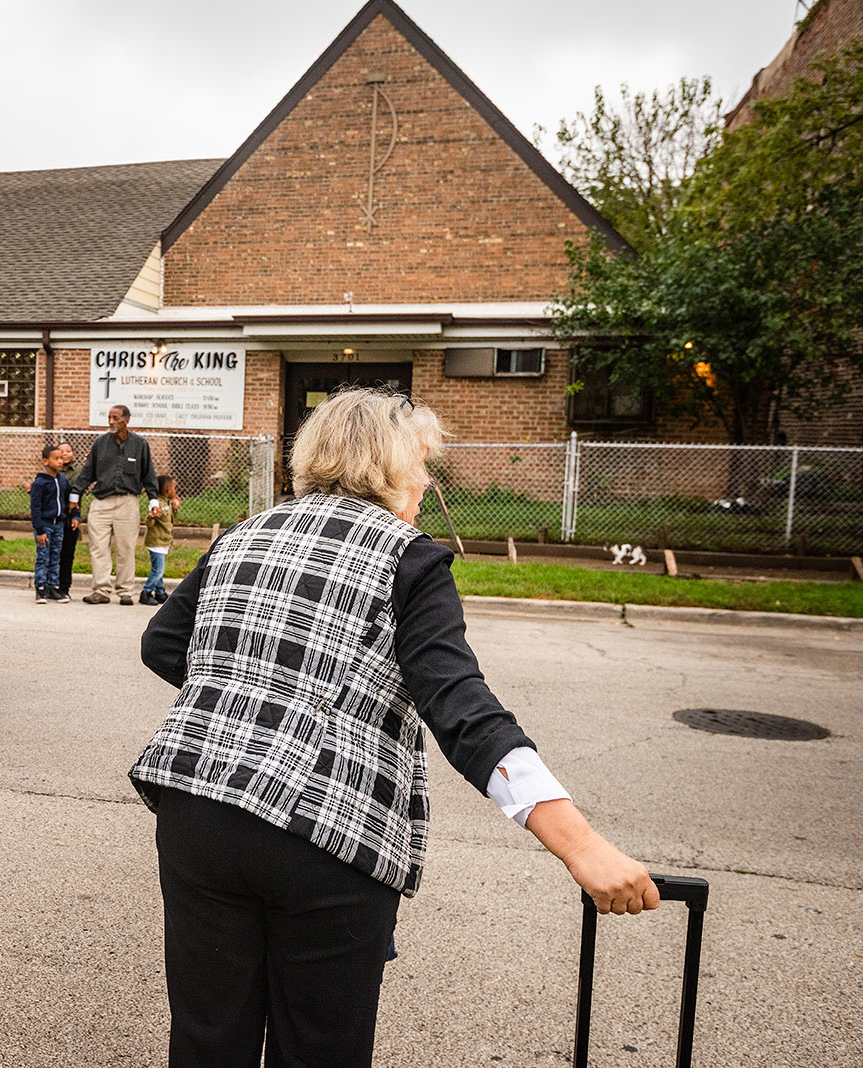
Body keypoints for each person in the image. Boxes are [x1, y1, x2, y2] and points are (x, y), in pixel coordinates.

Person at [129, 388, 659, 1068]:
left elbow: (162, 643)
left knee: (208, 1038)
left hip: (197, 811)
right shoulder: (411, 558)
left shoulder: (242, 534)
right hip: (322, 834)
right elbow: (461, 705)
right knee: (320, 1047)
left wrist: (253, 697)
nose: (428, 482)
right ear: (389, 468)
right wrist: (580, 845)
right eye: (422, 465)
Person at [75, 404, 160, 605]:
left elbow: (148, 474)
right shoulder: (100, 443)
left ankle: (125, 591)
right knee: (98, 547)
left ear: (126, 420)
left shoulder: (140, 444)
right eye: (109, 418)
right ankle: (101, 591)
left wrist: (153, 500)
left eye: (115, 418)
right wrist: (74, 494)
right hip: (101, 502)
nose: (111, 422)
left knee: (126, 548)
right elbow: (88, 472)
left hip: (127, 503)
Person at [29, 444, 71, 603]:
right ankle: (41, 588)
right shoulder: (39, 483)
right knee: (43, 557)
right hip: (45, 525)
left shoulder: (63, 481)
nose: (60, 461)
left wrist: (74, 515)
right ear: (46, 461)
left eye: (61, 458)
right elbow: (35, 508)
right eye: (56, 458)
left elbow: (68, 501)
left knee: (55, 556)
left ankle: (53, 587)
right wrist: (39, 530)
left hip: (58, 525)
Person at [139, 474, 180, 605]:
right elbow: (149, 524)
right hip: (156, 542)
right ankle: (146, 592)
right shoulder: (157, 504)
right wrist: (152, 516)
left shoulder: (166, 503)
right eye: (173, 488)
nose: (175, 491)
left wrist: (174, 508)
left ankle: (160, 592)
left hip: (163, 542)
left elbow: (170, 519)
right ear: (167, 490)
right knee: (158, 571)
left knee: (158, 569)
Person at [56, 442, 84, 600]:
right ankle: (49, 584)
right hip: (53, 519)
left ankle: (64, 587)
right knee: (53, 555)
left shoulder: (79, 472)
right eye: (61, 451)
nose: (65, 454)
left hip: (70, 518)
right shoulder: (51, 472)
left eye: (68, 451)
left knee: (67, 555)